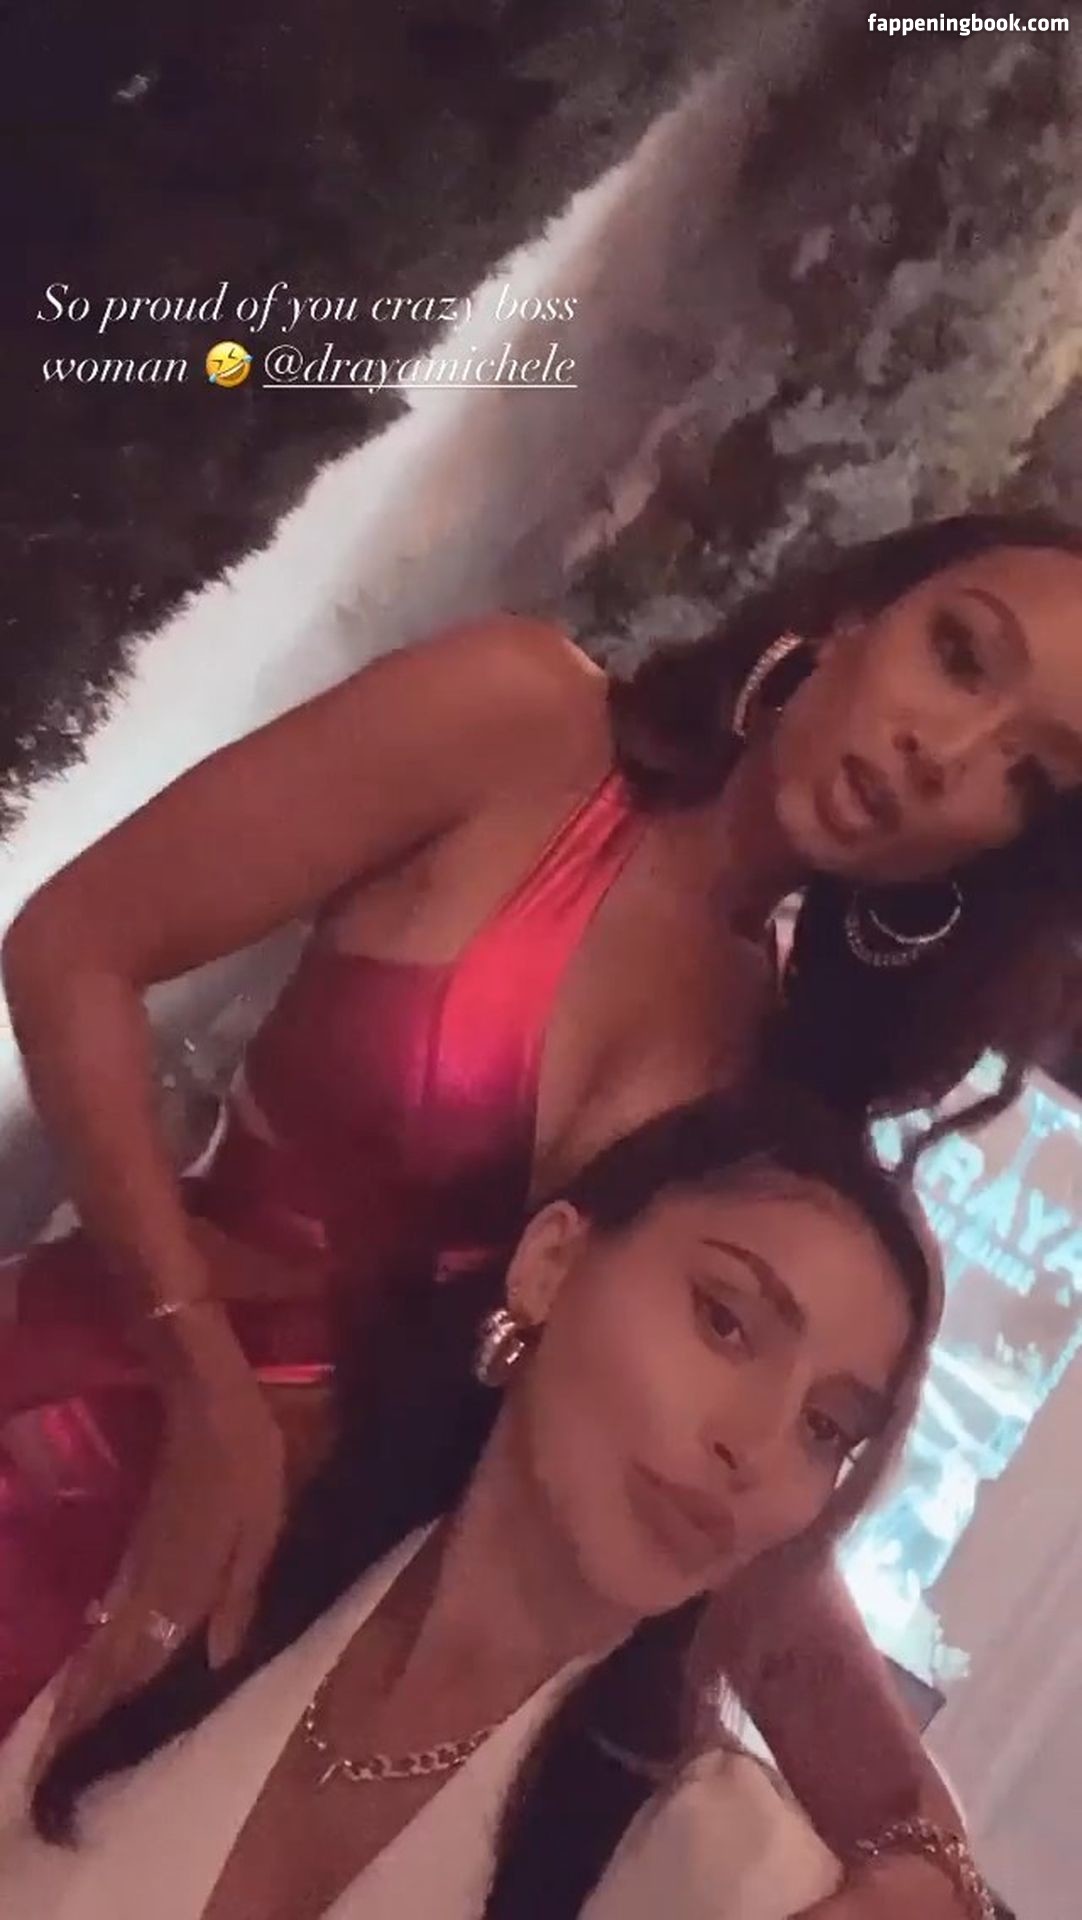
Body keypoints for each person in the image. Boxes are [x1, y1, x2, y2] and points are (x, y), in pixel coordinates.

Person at [1, 510, 1080, 1909]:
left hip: (282, 1604)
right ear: (855, 613)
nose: (948, 753)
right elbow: (73, 945)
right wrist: (200, 1379)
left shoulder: (784, 1084)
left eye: (1025, 777)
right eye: (958, 655)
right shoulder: (519, 722)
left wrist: (916, 1833)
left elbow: (738, 1490)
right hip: (80, 1415)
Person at [0, 1086, 988, 1920]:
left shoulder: (718, 1871)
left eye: (825, 1429)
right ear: (551, 1264)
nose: (756, 1446)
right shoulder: (218, 1550)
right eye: (724, 1321)